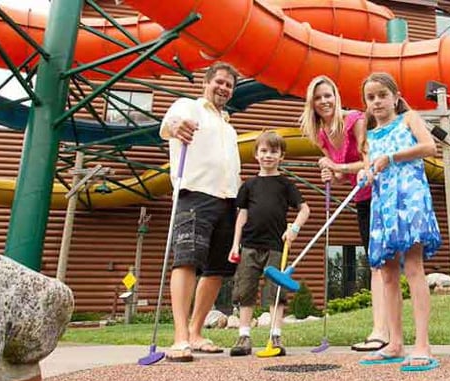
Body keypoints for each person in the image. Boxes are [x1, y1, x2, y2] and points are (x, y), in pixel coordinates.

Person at [299, 75, 390, 353]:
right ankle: (383, 330)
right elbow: (341, 175)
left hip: (380, 193)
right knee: (376, 263)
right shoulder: (322, 134)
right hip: (361, 199)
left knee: (381, 263)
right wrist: (330, 171)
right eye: (318, 97)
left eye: (328, 95)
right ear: (311, 104)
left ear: (336, 96)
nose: (324, 101)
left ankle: (382, 331)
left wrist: (338, 167)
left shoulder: (354, 119)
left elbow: (366, 160)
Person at [357, 72, 442, 371]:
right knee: (388, 274)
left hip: (410, 200)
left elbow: (429, 147)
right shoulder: (368, 136)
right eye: (371, 97)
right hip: (384, 206)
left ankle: (422, 344)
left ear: (395, 96)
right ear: (366, 104)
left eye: (382, 95)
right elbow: (368, 168)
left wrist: (392, 158)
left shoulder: (409, 119)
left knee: (414, 267)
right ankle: (394, 343)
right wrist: (364, 173)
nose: (377, 101)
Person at [158, 61, 242, 361]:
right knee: (187, 261)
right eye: (219, 82)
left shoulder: (229, 127)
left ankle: (195, 332)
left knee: (218, 269)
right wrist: (175, 127)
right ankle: (180, 337)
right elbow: (169, 125)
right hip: (194, 195)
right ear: (206, 82)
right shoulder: (188, 107)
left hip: (227, 200)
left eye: (229, 85)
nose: (223, 88)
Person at [227, 131, 311, 356]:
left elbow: (305, 209)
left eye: (274, 151)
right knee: (246, 290)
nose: (268, 156)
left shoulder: (285, 185)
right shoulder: (249, 186)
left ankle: (275, 336)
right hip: (250, 246)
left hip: (276, 246)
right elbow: (241, 217)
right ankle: (244, 336)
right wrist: (235, 245)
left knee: (276, 292)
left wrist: (293, 229)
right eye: (264, 151)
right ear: (256, 154)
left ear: (281, 155)